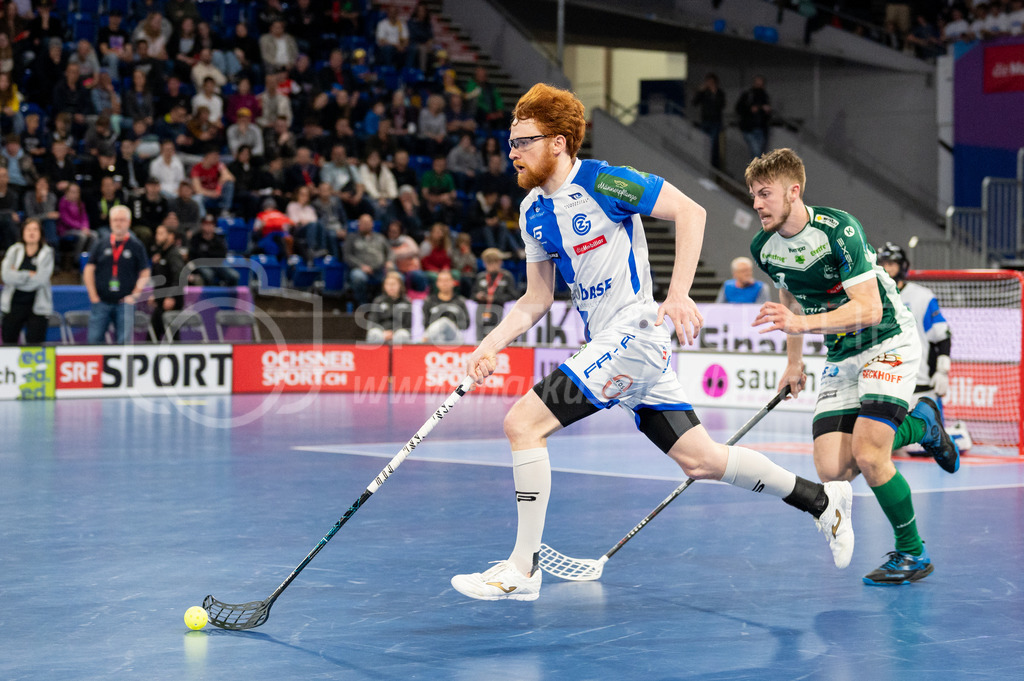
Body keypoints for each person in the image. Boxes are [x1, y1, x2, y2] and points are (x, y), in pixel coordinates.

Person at [451, 84, 854, 602]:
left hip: (635, 335)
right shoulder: (532, 211)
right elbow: (536, 298)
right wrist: (490, 344)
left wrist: (678, 293)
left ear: (557, 142)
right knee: (702, 461)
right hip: (615, 346)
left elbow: (692, 212)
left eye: (523, 141)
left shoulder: (605, 181)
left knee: (522, 423)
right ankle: (822, 500)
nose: (512, 152)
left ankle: (523, 568)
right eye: (510, 142)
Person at [745, 147, 959, 587]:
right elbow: (789, 298)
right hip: (842, 353)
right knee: (833, 470)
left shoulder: (838, 229)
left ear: (793, 191)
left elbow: (870, 309)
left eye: (765, 194)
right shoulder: (763, 247)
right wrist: (794, 362)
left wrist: (802, 324)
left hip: (886, 340)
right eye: (753, 195)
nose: (756, 204)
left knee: (870, 454)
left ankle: (912, 552)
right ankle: (922, 423)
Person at [876, 242, 956, 465]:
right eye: (883, 264)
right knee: (882, 446)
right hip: (885, 378)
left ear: (903, 266)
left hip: (919, 383)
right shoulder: (872, 295)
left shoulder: (922, 296)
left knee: (930, 448)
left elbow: (942, 335)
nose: (887, 268)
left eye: (891, 263)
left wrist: (942, 370)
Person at [83, 205, 150, 344]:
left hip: (125, 303)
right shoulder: (100, 243)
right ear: (110, 222)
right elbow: (89, 269)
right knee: (93, 340)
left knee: (124, 343)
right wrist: (93, 295)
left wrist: (135, 294)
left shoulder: (136, 245)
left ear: (129, 222)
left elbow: (145, 271)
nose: (118, 223)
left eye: (122, 220)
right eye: (115, 220)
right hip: (101, 301)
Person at [1, 219, 54, 344]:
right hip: (13, 305)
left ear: (41, 233)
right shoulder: (14, 250)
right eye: (28, 229)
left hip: (38, 306)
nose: (32, 233)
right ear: (22, 232)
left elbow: (41, 280)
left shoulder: (47, 252)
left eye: (35, 229)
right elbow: (6, 276)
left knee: (36, 345)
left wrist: (17, 276)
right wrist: (28, 274)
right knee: (8, 343)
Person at [343, 213, 389, 306]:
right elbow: (347, 256)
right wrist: (361, 266)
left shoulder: (380, 237)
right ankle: (362, 302)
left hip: (380, 269)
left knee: (394, 276)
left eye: (368, 223)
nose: (366, 225)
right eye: (363, 223)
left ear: (372, 224)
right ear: (359, 225)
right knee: (358, 277)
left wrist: (389, 261)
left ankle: (383, 303)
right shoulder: (352, 237)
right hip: (360, 269)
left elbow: (390, 252)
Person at [149, 222, 185, 341]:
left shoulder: (174, 254)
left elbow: (179, 277)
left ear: (170, 236)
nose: (157, 237)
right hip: (160, 303)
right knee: (151, 337)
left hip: (171, 304)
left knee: (172, 338)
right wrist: (155, 295)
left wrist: (171, 297)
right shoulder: (160, 254)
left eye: (161, 234)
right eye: (157, 233)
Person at [473, 247, 518, 339]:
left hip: (500, 311)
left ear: (500, 262)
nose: (491, 265)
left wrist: (495, 298)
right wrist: (478, 296)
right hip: (482, 311)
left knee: (497, 338)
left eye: (494, 262)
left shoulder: (506, 276)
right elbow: (472, 295)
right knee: (480, 339)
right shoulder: (481, 277)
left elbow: (513, 295)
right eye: (488, 263)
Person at [187, 213, 239, 286]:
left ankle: (228, 292)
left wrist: (206, 253)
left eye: (211, 224)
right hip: (201, 265)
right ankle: (210, 293)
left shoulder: (219, 239)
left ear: (214, 225)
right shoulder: (196, 239)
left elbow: (222, 255)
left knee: (234, 276)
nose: (208, 226)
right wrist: (209, 254)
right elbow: (193, 255)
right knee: (209, 275)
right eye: (206, 224)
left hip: (217, 264)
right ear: (202, 225)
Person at [365, 270, 412, 344]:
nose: (391, 287)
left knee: (402, 334)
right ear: (384, 286)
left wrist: (393, 333)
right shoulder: (378, 301)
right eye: (388, 284)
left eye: (393, 284)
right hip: (382, 332)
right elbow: (373, 322)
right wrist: (384, 333)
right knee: (374, 333)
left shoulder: (407, 302)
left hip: (398, 332)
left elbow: (408, 325)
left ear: (400, 285)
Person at [422, 268, 468, 344]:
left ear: (453, 282)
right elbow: (425, 323)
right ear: (437, 283)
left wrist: (449, 326)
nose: (444, 283)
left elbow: (466, 324)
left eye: (447, 280)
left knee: (445, 322)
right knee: (440, 333)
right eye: (441, 281)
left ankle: (423, 341)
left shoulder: (460, 301)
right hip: (435, 337)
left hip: (454, 337)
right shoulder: (429, 301)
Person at [692, 72, 725, 170]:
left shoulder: (719, 93)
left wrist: (714, 93)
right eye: (708, 82)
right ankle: (704, 164)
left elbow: (721, 105)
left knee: (713, 144)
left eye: (711, 82)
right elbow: (694, 102)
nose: (709, 84)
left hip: (715, 122)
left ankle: (714, 166)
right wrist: (699, 91)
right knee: (703, 143)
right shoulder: (704, 93)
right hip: (705, 121)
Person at [735, 76, 772, 160]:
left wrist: (766, 110)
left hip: (761, 128)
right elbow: (739, 108)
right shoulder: (747, 95)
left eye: (761, 84)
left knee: (760, 154)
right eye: (757, 84)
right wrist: (750, 109)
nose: (759, 86)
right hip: (749, 128)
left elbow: (767, 113)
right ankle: (755, 168)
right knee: (756, 152)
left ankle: (755, 168)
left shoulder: (765, 96)